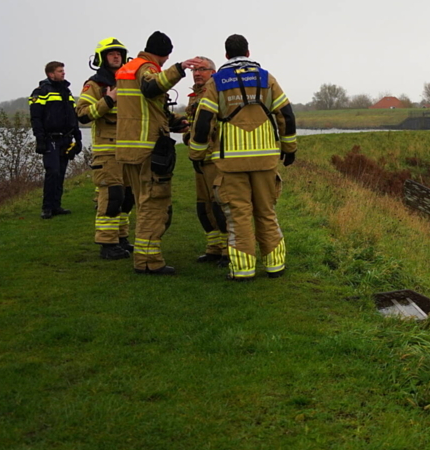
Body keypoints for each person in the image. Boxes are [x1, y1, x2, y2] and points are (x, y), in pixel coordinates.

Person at [188, 34, 297, 281]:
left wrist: (196, 153)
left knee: (238, 216)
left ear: (226, 55)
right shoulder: (267, 79)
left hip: (231, 163)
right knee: (266, 212)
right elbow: (286, 115)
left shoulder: (217, 82)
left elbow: (204, 121)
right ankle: (275, 266)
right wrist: (289, 149)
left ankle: (243, 270)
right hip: (266, 160)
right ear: (248, 53)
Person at [116, 31, 203, 275]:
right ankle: (148, 261)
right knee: (154, 203)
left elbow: (146, 110)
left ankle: (144, 257)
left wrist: (174, 122)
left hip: (128, 148)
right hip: (147, 149)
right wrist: (180, 68)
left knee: (143, 202)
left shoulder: (127, 69)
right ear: (164, 54)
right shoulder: (147, 68)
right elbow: (151, 87)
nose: (164, 64)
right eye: (167, 59)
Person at [76, 38, 135, 259]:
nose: (116, 56)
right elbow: (81, 114)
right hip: (107, 150)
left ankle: (121, 238)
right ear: (101, 58)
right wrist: (108, 100)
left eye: (119, 53)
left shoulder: (130, 81)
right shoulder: (94, 85)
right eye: (111, 53)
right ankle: (107, 244)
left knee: (127, 197)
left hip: (130, 150)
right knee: (111, 196)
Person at [184, 56, 229, 266]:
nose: (197, 73)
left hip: (215, 159)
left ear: (213, 71)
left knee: (219, 205)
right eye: (194, 70)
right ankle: (213, 248)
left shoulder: (218, 92)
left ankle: (227, 251)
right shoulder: (194, 96)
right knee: (204, 207)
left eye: (202, 69)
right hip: (199, 158)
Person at [30, 61, 82, 219]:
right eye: (60, 71)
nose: (63, 73)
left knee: (60, 173)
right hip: (50, 139)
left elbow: (74, 116)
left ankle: (56, 206)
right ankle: (47, 207)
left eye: (63, 71)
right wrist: (39, 139)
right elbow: (36, 118)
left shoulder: (66, 91)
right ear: (50, 74)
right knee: (52, 172)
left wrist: (77, 140)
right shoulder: (41, 92)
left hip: (65, 139)